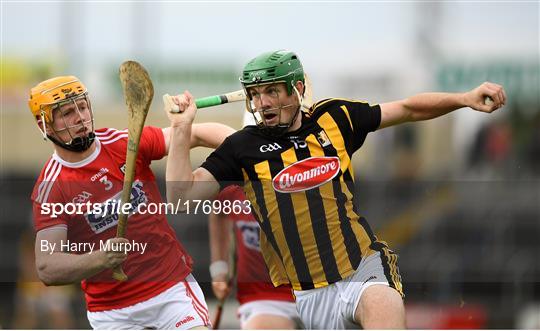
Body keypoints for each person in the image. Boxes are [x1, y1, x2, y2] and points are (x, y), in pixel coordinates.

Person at [164, 50, 506, 329]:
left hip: (361, 265)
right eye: (255, 94)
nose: (263, 102)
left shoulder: (336, 118)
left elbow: (408, 108)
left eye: (271, 91)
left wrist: (464, 98)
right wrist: (181, 130)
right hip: (310, 293)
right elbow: (180, 199)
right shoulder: (241, 148)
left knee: (382, 303)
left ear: (297, 89)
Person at [29, 75, 235, 329]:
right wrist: (101, 258)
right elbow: (48, 267)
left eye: (82, 107)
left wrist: (248, 150)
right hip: (111, 312)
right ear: (45, 125)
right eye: (68, 112)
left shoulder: (123, 143)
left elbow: (199, 134)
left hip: (170, 291)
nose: (80, 117)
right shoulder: (52, 188)